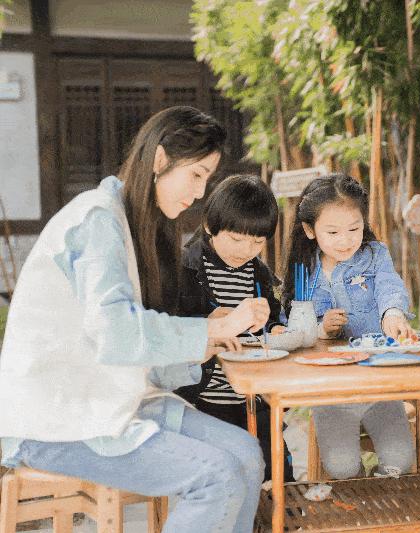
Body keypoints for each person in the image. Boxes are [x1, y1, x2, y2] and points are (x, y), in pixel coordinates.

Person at [0, 106, 270, 533]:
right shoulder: (96, 220)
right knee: (216, 475)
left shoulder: (136, 226)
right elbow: (117, 333)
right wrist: (211, 327)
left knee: (246, 454)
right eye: (196, 175)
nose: (199, 194)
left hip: (115, 401)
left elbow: (143, 354)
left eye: (207, 179)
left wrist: (206, 342)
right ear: (160, 160)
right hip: (57, 417)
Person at [283, 173, 416, 479]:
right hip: (332, 392)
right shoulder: (305, 271)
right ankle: (355, 501)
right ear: (309, 230)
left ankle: (381, 502)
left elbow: (389, 287)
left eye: (354, 228)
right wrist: (322, 328)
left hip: (379, 386)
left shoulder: (375, 255)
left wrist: (392, 315)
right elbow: (295, 328)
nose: (345, 240)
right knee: (342, 467)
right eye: (333, 231)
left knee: (399, 459)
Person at [175, 173, 293, 482]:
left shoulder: (260, 274)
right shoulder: (186, 269)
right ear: (209, 227)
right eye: (237, 239)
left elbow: (273, 319)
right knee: (225, 475)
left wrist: (275, 327)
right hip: (204, 401)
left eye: (257, 241)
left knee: (277, 472)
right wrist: (211, 325)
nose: (245, 250)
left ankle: (275, 520)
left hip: (254, 397)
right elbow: (171, 328)